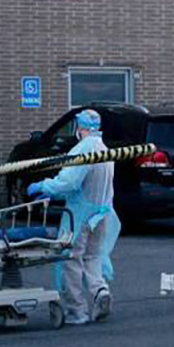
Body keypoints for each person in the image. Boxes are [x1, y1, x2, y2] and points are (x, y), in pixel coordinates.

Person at [27, 109, 120, 325]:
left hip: (79, 216)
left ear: (81, 127)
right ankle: (100, 291)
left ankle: (77, 311)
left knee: (71, 260)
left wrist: (44, 186)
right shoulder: (104, 149)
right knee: (93, 257)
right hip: (101, 214)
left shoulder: (84, 149)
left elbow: (69, 182)